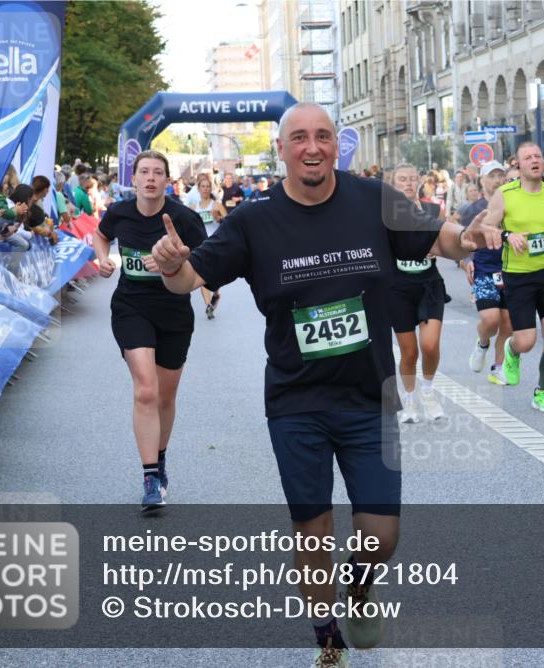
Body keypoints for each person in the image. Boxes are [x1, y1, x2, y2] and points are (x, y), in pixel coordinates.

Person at [150, 102, 495, 667]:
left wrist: (472, 237)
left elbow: (441, 238)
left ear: (336, 145)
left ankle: (358, 590)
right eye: (300, 138)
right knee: (312, 528)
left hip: (368, 396)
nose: (313, 147)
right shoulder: (254, 222)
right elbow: (190, 278)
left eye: (324, 137)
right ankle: (327, 636)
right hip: (296, 400)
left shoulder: (373, 201)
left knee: (380, 535)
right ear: (282, 149)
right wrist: (169, 264)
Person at [91, 150, 207, 513]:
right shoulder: (118, 212)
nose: (151, 178)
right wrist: (102, 258)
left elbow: (207, 259)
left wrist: (176, 261)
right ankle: (150, 477)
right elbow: (100, 235)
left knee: (165, 398)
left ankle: (160, 457)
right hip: (131, 307)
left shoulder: (184, 218)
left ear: (166, 179)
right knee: (145, 389)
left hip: (173, 313)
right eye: (145, 172)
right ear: (135, 179)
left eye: (158, 172)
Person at [479, 142, 544, 412]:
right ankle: (511, 351)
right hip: (518, 276)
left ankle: (541, 392)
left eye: (538, 156)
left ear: (543, 163)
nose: (534, 160)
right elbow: (485, 226)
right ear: (518, 165)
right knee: (526, 341)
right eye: (528, 157)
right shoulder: (505, 194)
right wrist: (508, 236)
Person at [388, 163, 451, 422]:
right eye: (401, 179)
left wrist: (460, 257)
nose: (408, 183)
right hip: (399, 288)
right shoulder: (385, 215)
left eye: (412, 178)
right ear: (392, 186)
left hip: (429, 285)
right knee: (409, 352)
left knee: (429, 345)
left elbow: (449, 239)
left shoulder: (433, 209)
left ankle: (427, 390)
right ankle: (410, 401)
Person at [461, 161, 513, 384]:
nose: (498, 180)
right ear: (482, 180)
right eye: (492, 176)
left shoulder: (514, 204)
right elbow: (459, 240)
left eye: (501, 175)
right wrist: (465, 261)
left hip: (511, 269)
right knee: (491, 320)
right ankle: (483, 342)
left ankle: (498, 367)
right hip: (483, 269)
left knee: (508, 324)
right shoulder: (474, 208)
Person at [190, 172, 228, 320]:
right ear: (198, 189)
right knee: (202, 275)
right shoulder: (193, 208)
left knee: (215, 275)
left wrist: (218, 218)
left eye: (208, 186)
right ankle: (208, 305)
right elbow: (190, 227)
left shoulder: (217, 205)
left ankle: (216, 293)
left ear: (210, 189)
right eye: (203, 186)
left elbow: (228, 224)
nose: (205, 189)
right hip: (201, 246)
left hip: (216, 244)